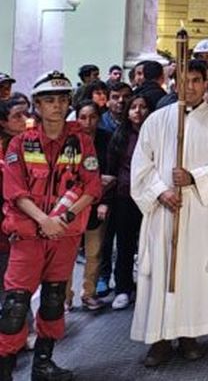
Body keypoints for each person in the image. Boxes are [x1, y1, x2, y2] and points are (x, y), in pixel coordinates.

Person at [129, 60, 208, 367]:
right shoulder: (157, 120)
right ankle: (160, 338)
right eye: (183, 80)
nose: (189, 86)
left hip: (202, 207)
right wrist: (160, 191)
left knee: (192, 273)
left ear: (206, 83)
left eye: (195, 80)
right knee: (164, 270)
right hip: (165, 208)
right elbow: (141, 165)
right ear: (173, 83)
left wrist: (194, 177)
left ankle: (191, 332)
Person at [0, 71, 102, 381]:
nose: (56, 106)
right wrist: (44, 220)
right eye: (48, 100)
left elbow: (92, 187)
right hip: (29, 236)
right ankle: (5, 368)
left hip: (65, 235)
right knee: (15, 305)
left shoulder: (82, 142)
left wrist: (64, 219)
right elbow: (14, 191)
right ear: (37, 106)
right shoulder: (20, 143)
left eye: (61, 100)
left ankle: (43, 365)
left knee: (55, 298)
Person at [107, 94, 151, 311]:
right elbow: (112, 167)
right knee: (124, 244)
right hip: (125, 195)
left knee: (148, 244)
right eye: (133, 107)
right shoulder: (121, 135)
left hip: (151, 196)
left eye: (142, 107)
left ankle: (146, 286)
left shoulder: (155, 134)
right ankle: (123, 288)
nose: (137, 111)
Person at [74, 101, 113, 312]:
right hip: (71, 204)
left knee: (94, 251)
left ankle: (88, 294)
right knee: (67, 254)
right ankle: (64, 298)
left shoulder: (106, 139)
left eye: (92, 117)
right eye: (83, 117)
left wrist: (104, 201)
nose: (87, 122)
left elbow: (111, 175)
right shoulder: (69, 139)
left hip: (98, 202)